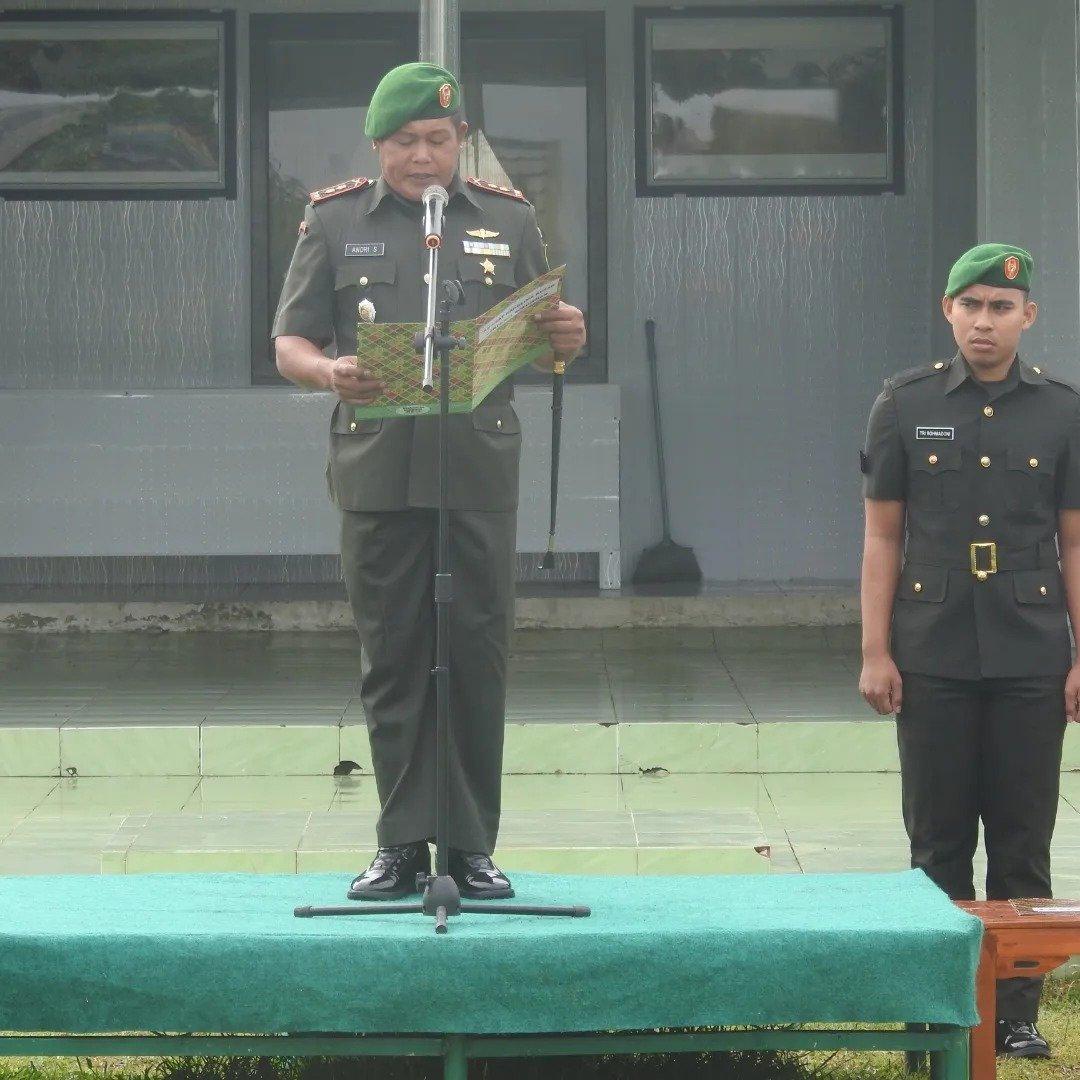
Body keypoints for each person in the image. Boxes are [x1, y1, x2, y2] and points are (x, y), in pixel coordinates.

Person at [272, 62, 586, 902]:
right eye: (407, 141)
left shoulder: (508, 219)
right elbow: (290, 341)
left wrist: (567, 334)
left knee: (477, 653)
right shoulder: (334, 220)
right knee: (394, 656)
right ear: (378, 144)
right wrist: (328, 373)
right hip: (377, 466)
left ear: (461, 140)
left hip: (475, 467)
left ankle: (471, 846)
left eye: (439, 140)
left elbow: (545, 336)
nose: (423, 156)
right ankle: (403, 843)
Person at [859, 243, 1080, 1059]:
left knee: (1022, 841)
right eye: (972, 305)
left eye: (1001, 307)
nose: (985, 321)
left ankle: (1015, 1017)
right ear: (947, 311)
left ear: (1028, 316)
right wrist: (875, 650)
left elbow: (1074, 543)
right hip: (934, 648)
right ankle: (939, 1010)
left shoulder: (1062, 409)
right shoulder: (904, 403)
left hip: (1031, 650)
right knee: (938, 841)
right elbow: (883, 536)